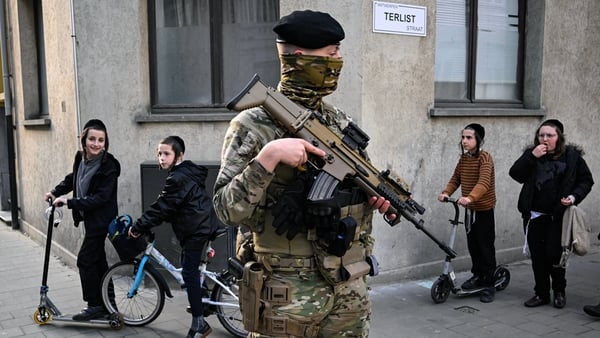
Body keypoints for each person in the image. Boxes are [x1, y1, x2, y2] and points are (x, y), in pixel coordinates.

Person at [213, 10, 396, 338]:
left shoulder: (338, 123)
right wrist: (269, 157)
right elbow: (226, 209)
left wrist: (377, 197)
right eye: (330, 54)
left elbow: (360, 184)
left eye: (338, 52)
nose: (338, 60)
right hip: (287, 294)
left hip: (347, 286)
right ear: (300, 58)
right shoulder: (253, 124)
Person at [128, 136, 219, 338]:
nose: (161, 158)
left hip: (197, 229)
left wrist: (139, 226)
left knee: (188, 273)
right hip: (201, 224)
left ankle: (199, 325)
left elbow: (162, 206)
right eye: (159, 153)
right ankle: (202, 300)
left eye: (166, 154)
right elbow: (173, 206)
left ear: (179, 156)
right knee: (189, 264)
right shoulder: (186, 172)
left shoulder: (177, 178)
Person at [509, 119, 594, 309]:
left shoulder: (572, 157)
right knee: (538, 256)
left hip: (559, 217)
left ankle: (559, 292)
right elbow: (515, 174)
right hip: (534, 215)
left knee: (555, 256)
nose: (545, 139)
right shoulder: (532, 154)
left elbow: (586, 181)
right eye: (541, 135)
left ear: (559, 137)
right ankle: (541, 293)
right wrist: (532, 156)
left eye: (550, 135)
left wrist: (573, 197)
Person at [44, 119, 121, 321]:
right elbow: (73, 178)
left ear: (106, 142)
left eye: (101, 140)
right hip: (89, 219)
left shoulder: (109, 165)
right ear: (84, 140)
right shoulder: (81, 158)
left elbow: (101, 198)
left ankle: (95, 305)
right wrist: (55, 191)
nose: (96, 144)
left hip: (102, 220)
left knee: (85, 260)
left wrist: (69, 202)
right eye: (92, 139)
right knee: (98, 262)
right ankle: (109, 303)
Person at [438, 123, 497, 303]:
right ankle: (478, 275)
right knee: (473, 245)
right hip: (469, 210)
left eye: (469, 138)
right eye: (463, 137)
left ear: (478, 139)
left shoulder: (485, 158)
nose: (464, 141)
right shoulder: (464, 159)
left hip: (483, 210)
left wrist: (470, 197)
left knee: (485, 247)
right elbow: (456, 178)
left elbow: (484, 182)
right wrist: (447, 192)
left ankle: (489, 284)